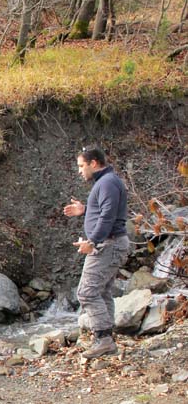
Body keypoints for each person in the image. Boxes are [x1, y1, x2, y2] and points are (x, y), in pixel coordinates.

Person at [63, 146, 130, 359]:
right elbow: (104, 211)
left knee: (86, 292)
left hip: (108, 245)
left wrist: (92, 241)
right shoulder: (106, 182)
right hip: (110, 244)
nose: (80, 171)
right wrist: (86, 210)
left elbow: (108, 218)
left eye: (82, 166)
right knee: (102, 292)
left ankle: (103, 340)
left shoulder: (108, 183)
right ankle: (106, 339)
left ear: (93, 163)